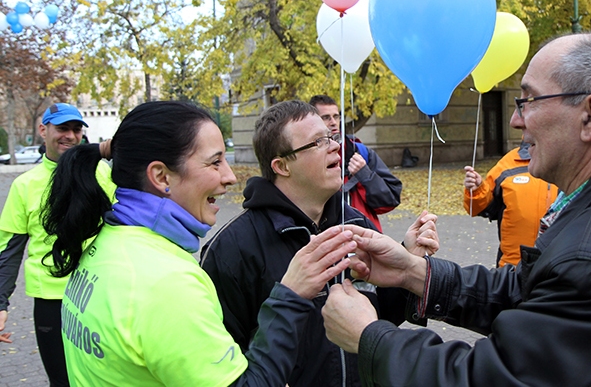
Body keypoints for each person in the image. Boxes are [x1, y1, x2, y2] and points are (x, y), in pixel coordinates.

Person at [321, 32, 591, 386]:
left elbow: (501, 377)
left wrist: (369, 336)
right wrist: (416, 273)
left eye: (529, 101)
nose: (517, 121)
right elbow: (536, 294)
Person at [41, 100, 361, 386]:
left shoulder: (107, 244)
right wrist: (290, 296)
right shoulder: (165, 282)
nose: (231, 177)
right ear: (162, 177)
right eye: (215, 162)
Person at [200, 100, 438, 387]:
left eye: (331, 136)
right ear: (282, 166)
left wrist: (407, 267)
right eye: (317, 142)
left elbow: (377, 319)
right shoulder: (232, 248)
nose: (335, 146)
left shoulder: (357, 226)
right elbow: (226, 358)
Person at [0, 103, 115, 386]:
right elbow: (10, 249)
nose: (70, 136)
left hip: (99, 295)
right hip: (51, 300)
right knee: (61, 381)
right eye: (62, 128)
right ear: (43, 131)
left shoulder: (102, 173)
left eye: (76, 130)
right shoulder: (24, 185)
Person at [309, 95, 402, 231]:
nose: (333, 122)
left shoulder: (360, 152)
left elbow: (389, 201)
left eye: (336, 116)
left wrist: (365, 175)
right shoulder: (308, 158)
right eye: (326, 117)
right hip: (329, 242)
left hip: (367, 240)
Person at [463, 142, 558, 267]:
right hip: (513, 268)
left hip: (562, 267)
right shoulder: (508, 164)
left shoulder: (575, 161)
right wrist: (477, 189)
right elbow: (482, 208)